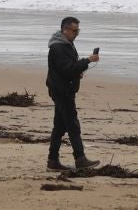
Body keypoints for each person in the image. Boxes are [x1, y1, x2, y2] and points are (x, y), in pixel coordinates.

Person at [45, 15, 100, 171]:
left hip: (63, 89)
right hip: (62, 91)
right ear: (65, 30)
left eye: (78, 31)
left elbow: (68, 68)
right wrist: (88, 61)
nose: (76, 34)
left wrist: (78, 72)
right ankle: (80, 159)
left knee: (60, 127)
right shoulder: (58, 47)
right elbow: (68, 69)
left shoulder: (66, 44)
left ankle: (52, 161)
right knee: (73, 126)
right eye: (74, 31)